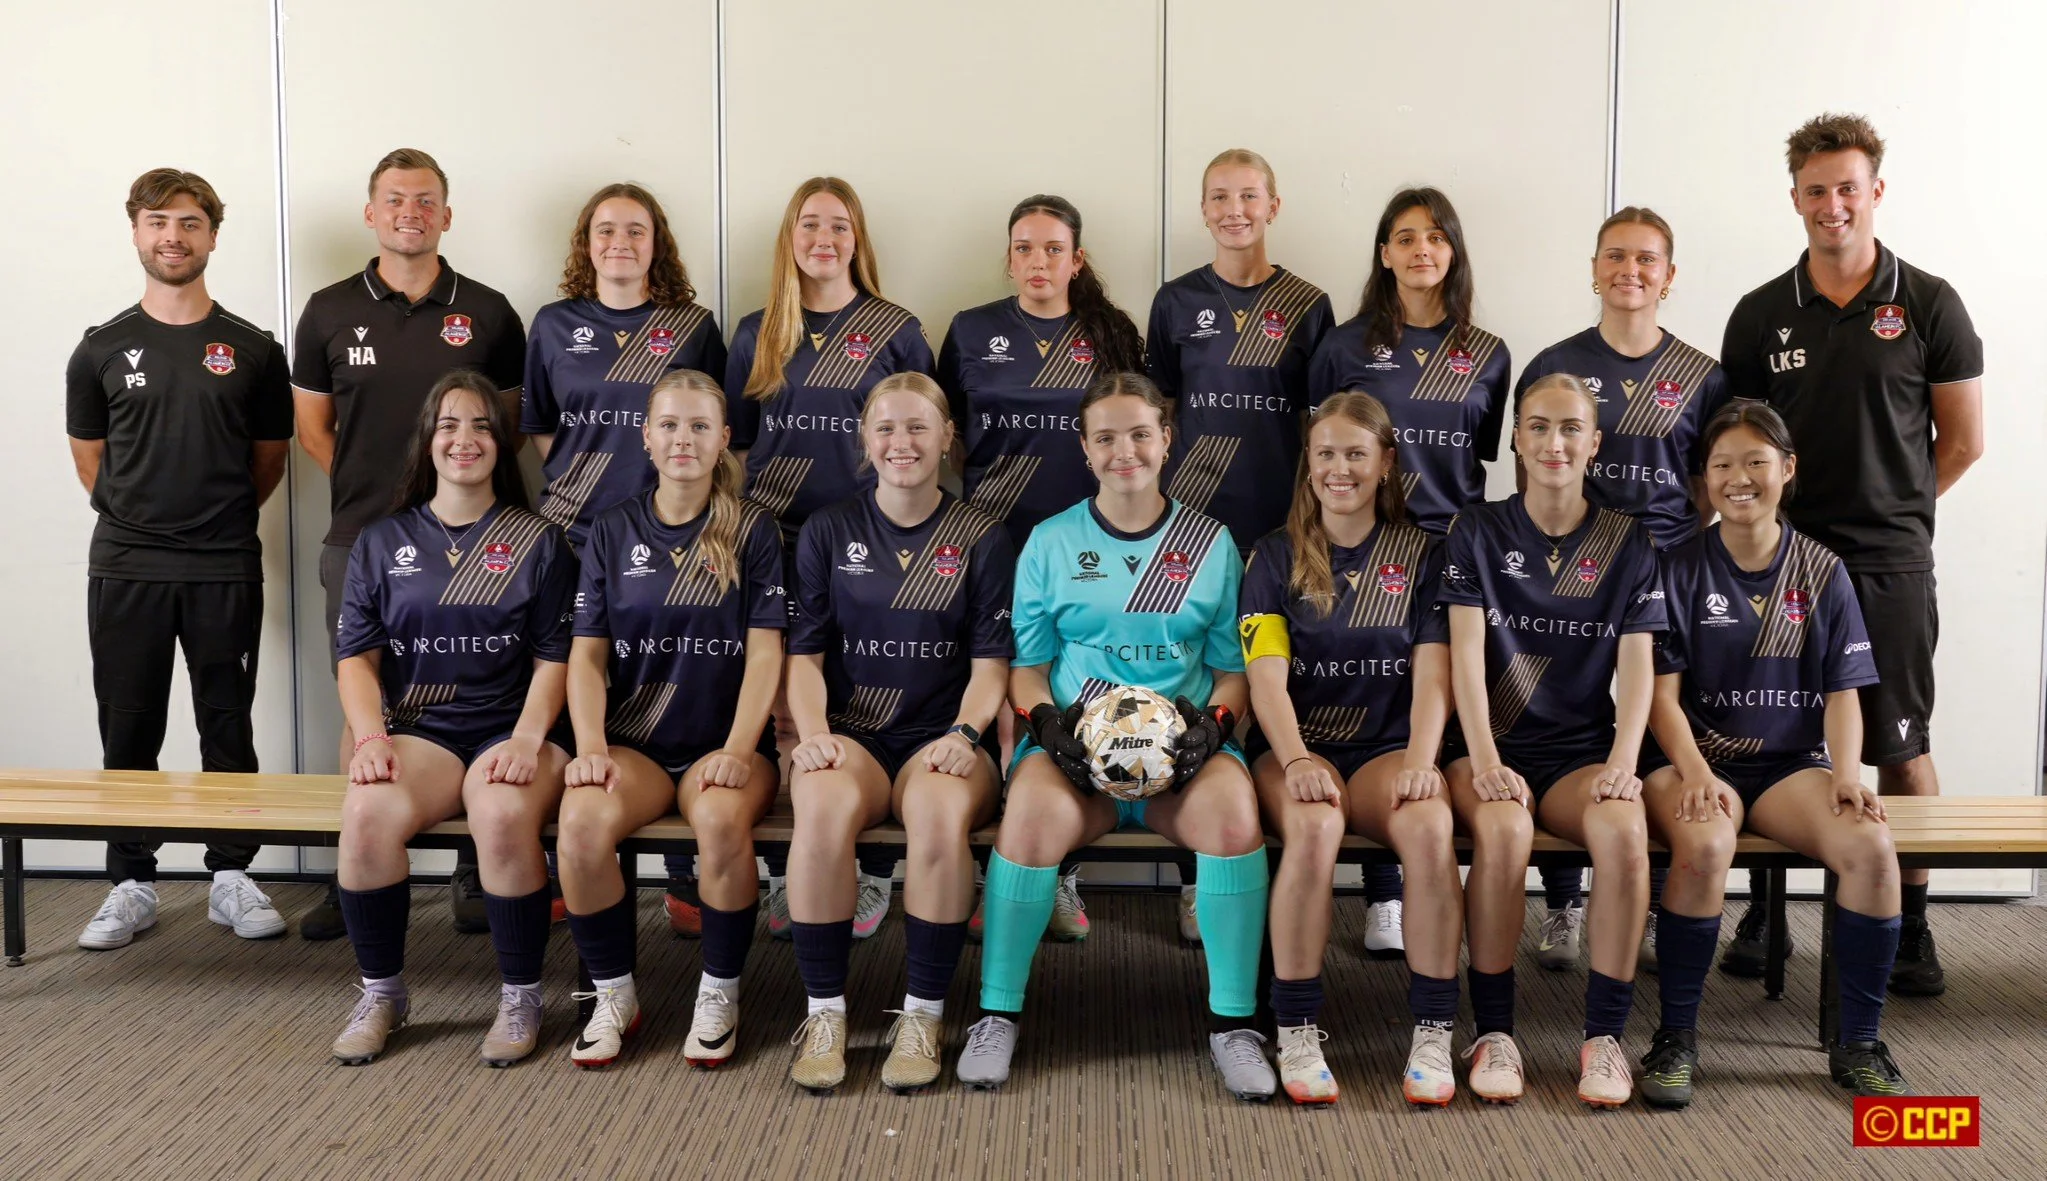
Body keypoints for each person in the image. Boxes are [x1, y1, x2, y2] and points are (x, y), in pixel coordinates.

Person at [1719, 112, 1982, 995]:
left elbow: (1962, 442)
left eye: (1846, 187)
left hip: (1887, 567)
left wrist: (1895, 514)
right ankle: (1765, 913)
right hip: (1779, 563)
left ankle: (1912, 923)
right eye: (1815, 190)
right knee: (1772, 738)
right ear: (1793, 198)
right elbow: (1739, 449)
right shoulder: (1760, 313)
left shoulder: (1931, 303)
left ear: (1875, 190)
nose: (1831, 204)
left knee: (1898, 748)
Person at [956, 373, 1273, 1102]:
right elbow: (1027, 667)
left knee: (1234, 817)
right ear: (1085, 448)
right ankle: (996, 1014)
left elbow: (1233, 672)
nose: (1123, 450)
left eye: (1139, 434)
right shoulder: (1050, 541)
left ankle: (1234, 1025)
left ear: (1166, 440)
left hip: (1183, 759)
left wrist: (1212, 728)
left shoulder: (1210, 542)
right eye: (1105, 437)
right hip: (1075, 756)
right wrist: (1046, 724)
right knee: (1027, 816)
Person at [1640, 399, 1910, 1105]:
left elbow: (1843, 691)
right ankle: (1675, 1037)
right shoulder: (1676, 567)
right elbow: (1659, 699)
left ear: (1786, 469)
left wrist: (1846, 775)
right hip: (1693, 761)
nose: (1738, 478)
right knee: (1704, 843)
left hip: (1789, 767)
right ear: (1704, 478)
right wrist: (1695, 772)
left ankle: (1858, 1041)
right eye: (1722, 464)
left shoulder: (1822, 569)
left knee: (1871, 847)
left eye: (1755, 461)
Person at [293, 148, 527, 940]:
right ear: (371, 213)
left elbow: (507, 427)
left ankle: (471, 866)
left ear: (446, 215)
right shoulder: (327, 310)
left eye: (425, 200)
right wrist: (392, 507)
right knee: (363, 691)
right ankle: (352, 860)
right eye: (394, 199)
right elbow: (312, 429)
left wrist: (445, 499)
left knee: (479, 691)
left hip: (477, 539)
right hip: (362, 536)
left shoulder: (489, 312)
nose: (410, 213)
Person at [64, 167, 292, 950]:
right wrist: (146, 521)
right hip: (127, 565)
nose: (173, 236)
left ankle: (231, 873)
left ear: (212, 237)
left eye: (190, 222)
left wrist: (209, 520)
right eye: (159, 221)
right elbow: (91, 460)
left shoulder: (255, 350)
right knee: (128, 726)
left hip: (223, 564)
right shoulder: (99, 348)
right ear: (136, 231)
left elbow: (268, 460)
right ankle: (131, 881)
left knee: (227, 723)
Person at [325, 371, 576, 1067]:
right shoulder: (383, 540)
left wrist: (528, 738)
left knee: (500, 812)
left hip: (513, 728)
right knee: (366, 813)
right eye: (449, 425)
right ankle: (382, 993)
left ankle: (521, 995)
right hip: (424, 731)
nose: (465, 439)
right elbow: (355, 657)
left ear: (501, 444)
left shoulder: (538, 540)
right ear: (427, 441)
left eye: (481, 427)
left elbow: (556, 657)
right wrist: (370, 738)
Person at [782, 373, 1014, 1094]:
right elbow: (804, 657)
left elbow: (992, 665)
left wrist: (965, 733)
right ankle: (825, 1014)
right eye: (885, 427)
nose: (901, 442)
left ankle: (922, 1016)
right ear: (864, 439)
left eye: (918, 427)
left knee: (940, 815)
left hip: (940, 737)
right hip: (855, 737)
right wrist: (813, 735)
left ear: (947, 437)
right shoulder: (828, 529)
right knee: (820, 805)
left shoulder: (980, 535)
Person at [1514, 207, 1732, 974]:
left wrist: (1666, 549)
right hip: (1573, 574)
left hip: (1665, 574)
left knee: (1655, 726)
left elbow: (1708, 482)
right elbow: (1537, 468)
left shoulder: (1702, 374)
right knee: (1567, 721)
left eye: (1645, 259)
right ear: (1593, 268)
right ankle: (1564, 901)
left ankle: (1661, 895)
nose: (1628, 270)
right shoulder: (1556, 362)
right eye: (1614, 255)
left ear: (1668, 276)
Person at [1438, 373, 1664, 1107]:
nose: (1553, 443)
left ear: (1594, 443)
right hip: (1487, 747)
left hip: (1577, 753)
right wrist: (1484, 758)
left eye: (1570, 428)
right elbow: (1463, 657)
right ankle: (1493, 1032)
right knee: (1504, 831)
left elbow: (1638, 665)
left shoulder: (1629, 538)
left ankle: (1604, 1038)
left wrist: (1624, 762)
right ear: (1515, 439)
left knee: (1625, 832)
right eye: (1537, 426)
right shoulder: (1476, 530)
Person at [553, 370, 784, 1070]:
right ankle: (613, 994)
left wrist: (738, 750)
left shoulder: (752, 529)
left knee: (719, 821)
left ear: (723, 440)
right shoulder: (612, 528)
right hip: (639, 749)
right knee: (580, 823)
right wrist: (590, 746)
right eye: (670, 425)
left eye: (700, 426)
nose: (684, 439)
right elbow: (586, 656)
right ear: (646, 437)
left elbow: (766, 653)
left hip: (726, 746)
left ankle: (719, 993)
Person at [1239, 392, 1461, 1106]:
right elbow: (1265, 678)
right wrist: (1297, 760)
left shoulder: (1423, 553)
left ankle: (1433, 1031)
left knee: (1429, 827)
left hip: (1386, 749)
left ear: (1386, 462)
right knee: (1312, 827)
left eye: (1356, 454)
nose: (1340, 468)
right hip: (1298, 749)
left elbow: (1433, 674)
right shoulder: (1273, 555)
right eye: (1326, 453)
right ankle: (1296, 1028)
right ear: (1308, 463)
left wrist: (1422, 760)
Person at [938, 193, 1146, 945]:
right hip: (993, 540)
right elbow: (953, 437)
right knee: (997, 704)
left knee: (1072, 702)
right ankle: (998, 869)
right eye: (1024, 247)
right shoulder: (971, 330)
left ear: (1076, 260)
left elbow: (1129, 434)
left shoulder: (1111, 335)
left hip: (1087, 547)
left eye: (1053, 248)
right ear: (1009, 256)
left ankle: (1057, 870)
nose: (1038, 261)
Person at [522, 182, 728, 933]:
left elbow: (708, 424)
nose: (620, 242)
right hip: (574, 535)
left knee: (672, 680)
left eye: (636, 230)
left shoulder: (692, 327)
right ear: (586, 243)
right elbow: (545, 429)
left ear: (656, 243)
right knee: (572, 680)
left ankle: (684, 875)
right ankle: (565, 862)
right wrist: (590, 487)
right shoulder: (553, 324)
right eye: (605, 229)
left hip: (672, 538)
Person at [1305, 185, 1508, 946]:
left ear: (1453, 251)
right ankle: (1381, 894)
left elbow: (1476, 456)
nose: (1422, 249)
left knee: (1440, 705)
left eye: (1436, 236)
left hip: (1452, 552)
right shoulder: (1343, 347)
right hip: (1366, 544)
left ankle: (1417, 879)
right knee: (1373, 697)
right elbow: (1325, 446)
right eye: (1405, 237)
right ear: (1384, 254)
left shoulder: (1487, 353)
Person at [1146, 148, 1339, 944]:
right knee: (1193, 690)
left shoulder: (1307, 304)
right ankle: (1199, 878)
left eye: (1248, 196)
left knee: (1275, 689)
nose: (1234, 210)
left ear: (1272, 206)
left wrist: (1307, 524)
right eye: (1219, 197)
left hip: (1278, 532)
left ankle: (1276, 872)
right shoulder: (1174, 300)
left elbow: (1321, 424)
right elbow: (1159, 413)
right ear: (1202, 210)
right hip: (1188, 532)